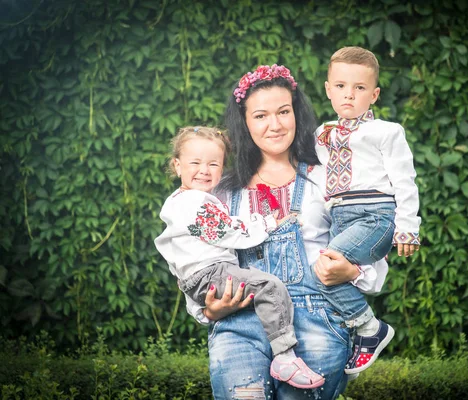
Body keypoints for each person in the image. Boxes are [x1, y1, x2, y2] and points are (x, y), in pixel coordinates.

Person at [184, 64, 388, 399]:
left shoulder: (327, 178)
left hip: (317, 321)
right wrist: (207, 311)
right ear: (245, 122)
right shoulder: (221, 191)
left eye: (283, 111)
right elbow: (194, 258)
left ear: (297, 113)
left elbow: (369, 238)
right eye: (261, 116)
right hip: (240, 321)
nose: (275, 125)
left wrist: (353, 270)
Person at [154, 126, 325, 389]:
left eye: (214, 163)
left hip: (201, 278)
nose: (205, 170)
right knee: (270, 286)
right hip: (213, 274)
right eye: (195, 163)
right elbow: (228, 231)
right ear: (177, 165)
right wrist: (268, 222)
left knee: (258, 293)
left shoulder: (186, 200)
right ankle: (284, 355)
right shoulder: (191, 204)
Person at [314, 46, 421, 374]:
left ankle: (369, 329)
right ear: (328, 89)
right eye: (341, 86)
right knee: (326, 276)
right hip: (340, 216)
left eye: (359, 88)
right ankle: (346, 335)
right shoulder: (322, 134)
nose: (349, 95)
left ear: (373, 94)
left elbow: (405, 181)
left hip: (376, 214)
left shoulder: (387, 132)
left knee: (325, 268)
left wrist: (407, 227)